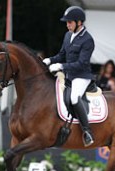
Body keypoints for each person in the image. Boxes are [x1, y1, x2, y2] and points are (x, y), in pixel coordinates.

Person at [42, 6, 95, 147]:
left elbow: (82, 63)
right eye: (67, 22)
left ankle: (87, 132)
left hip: (82, 75)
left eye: (70, 22)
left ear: (79, 22)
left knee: (74, 97)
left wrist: (61, 66)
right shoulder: (67, 35)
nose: (67, 25)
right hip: (68, 75)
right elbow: (62, 55)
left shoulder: (88, 40)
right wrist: (50, 60)